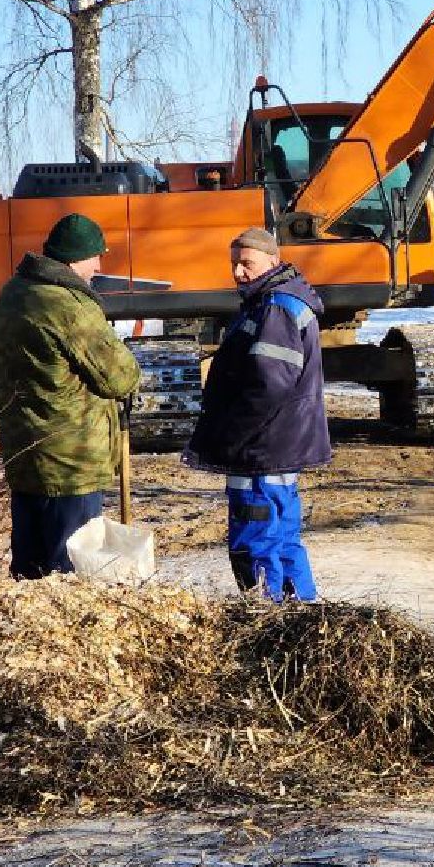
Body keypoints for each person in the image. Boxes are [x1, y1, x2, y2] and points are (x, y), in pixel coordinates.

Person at [0, 213, 141, 579]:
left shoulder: (14, 293)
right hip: (71, 460)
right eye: (96, 257)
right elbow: (120, 377)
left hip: (25, 454)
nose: (99, 266)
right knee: (71, 573)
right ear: (75, 259)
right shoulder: (66, 305)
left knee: (29, 571)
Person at [184, 227, 331, 601]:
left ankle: (265, 622)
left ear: (272, 261)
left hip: (260, 450)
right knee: (282, 541)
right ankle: (305, 620)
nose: (238, 273)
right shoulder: (279, 303)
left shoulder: (275, 308)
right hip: (278, 448)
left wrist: (230, 438)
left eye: (246, 264)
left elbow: (268, 386)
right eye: (234, 264)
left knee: (256, 543)